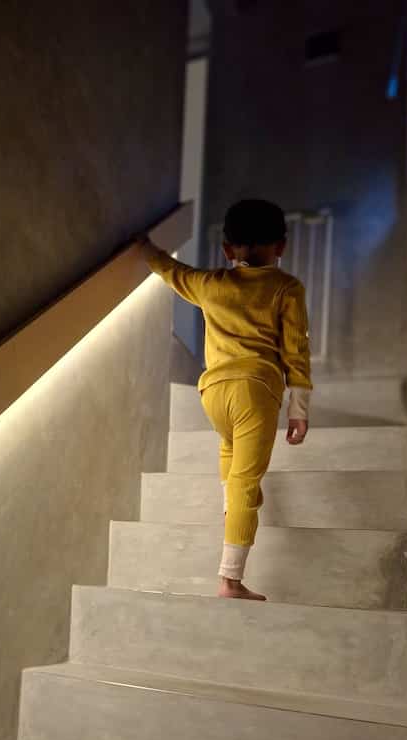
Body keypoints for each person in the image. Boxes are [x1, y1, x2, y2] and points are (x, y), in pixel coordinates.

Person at [137, 198, 312, 601]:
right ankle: (230, 581)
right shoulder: (287, 288)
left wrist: (145, 247)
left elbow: (169, 269)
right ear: (280, 247)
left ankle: (230, 507)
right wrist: (298, 409)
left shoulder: (211, 284)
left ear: (228, 249)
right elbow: (295, 351)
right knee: (247, 481)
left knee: (230, 452)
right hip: (256, 388)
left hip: (212, 392)